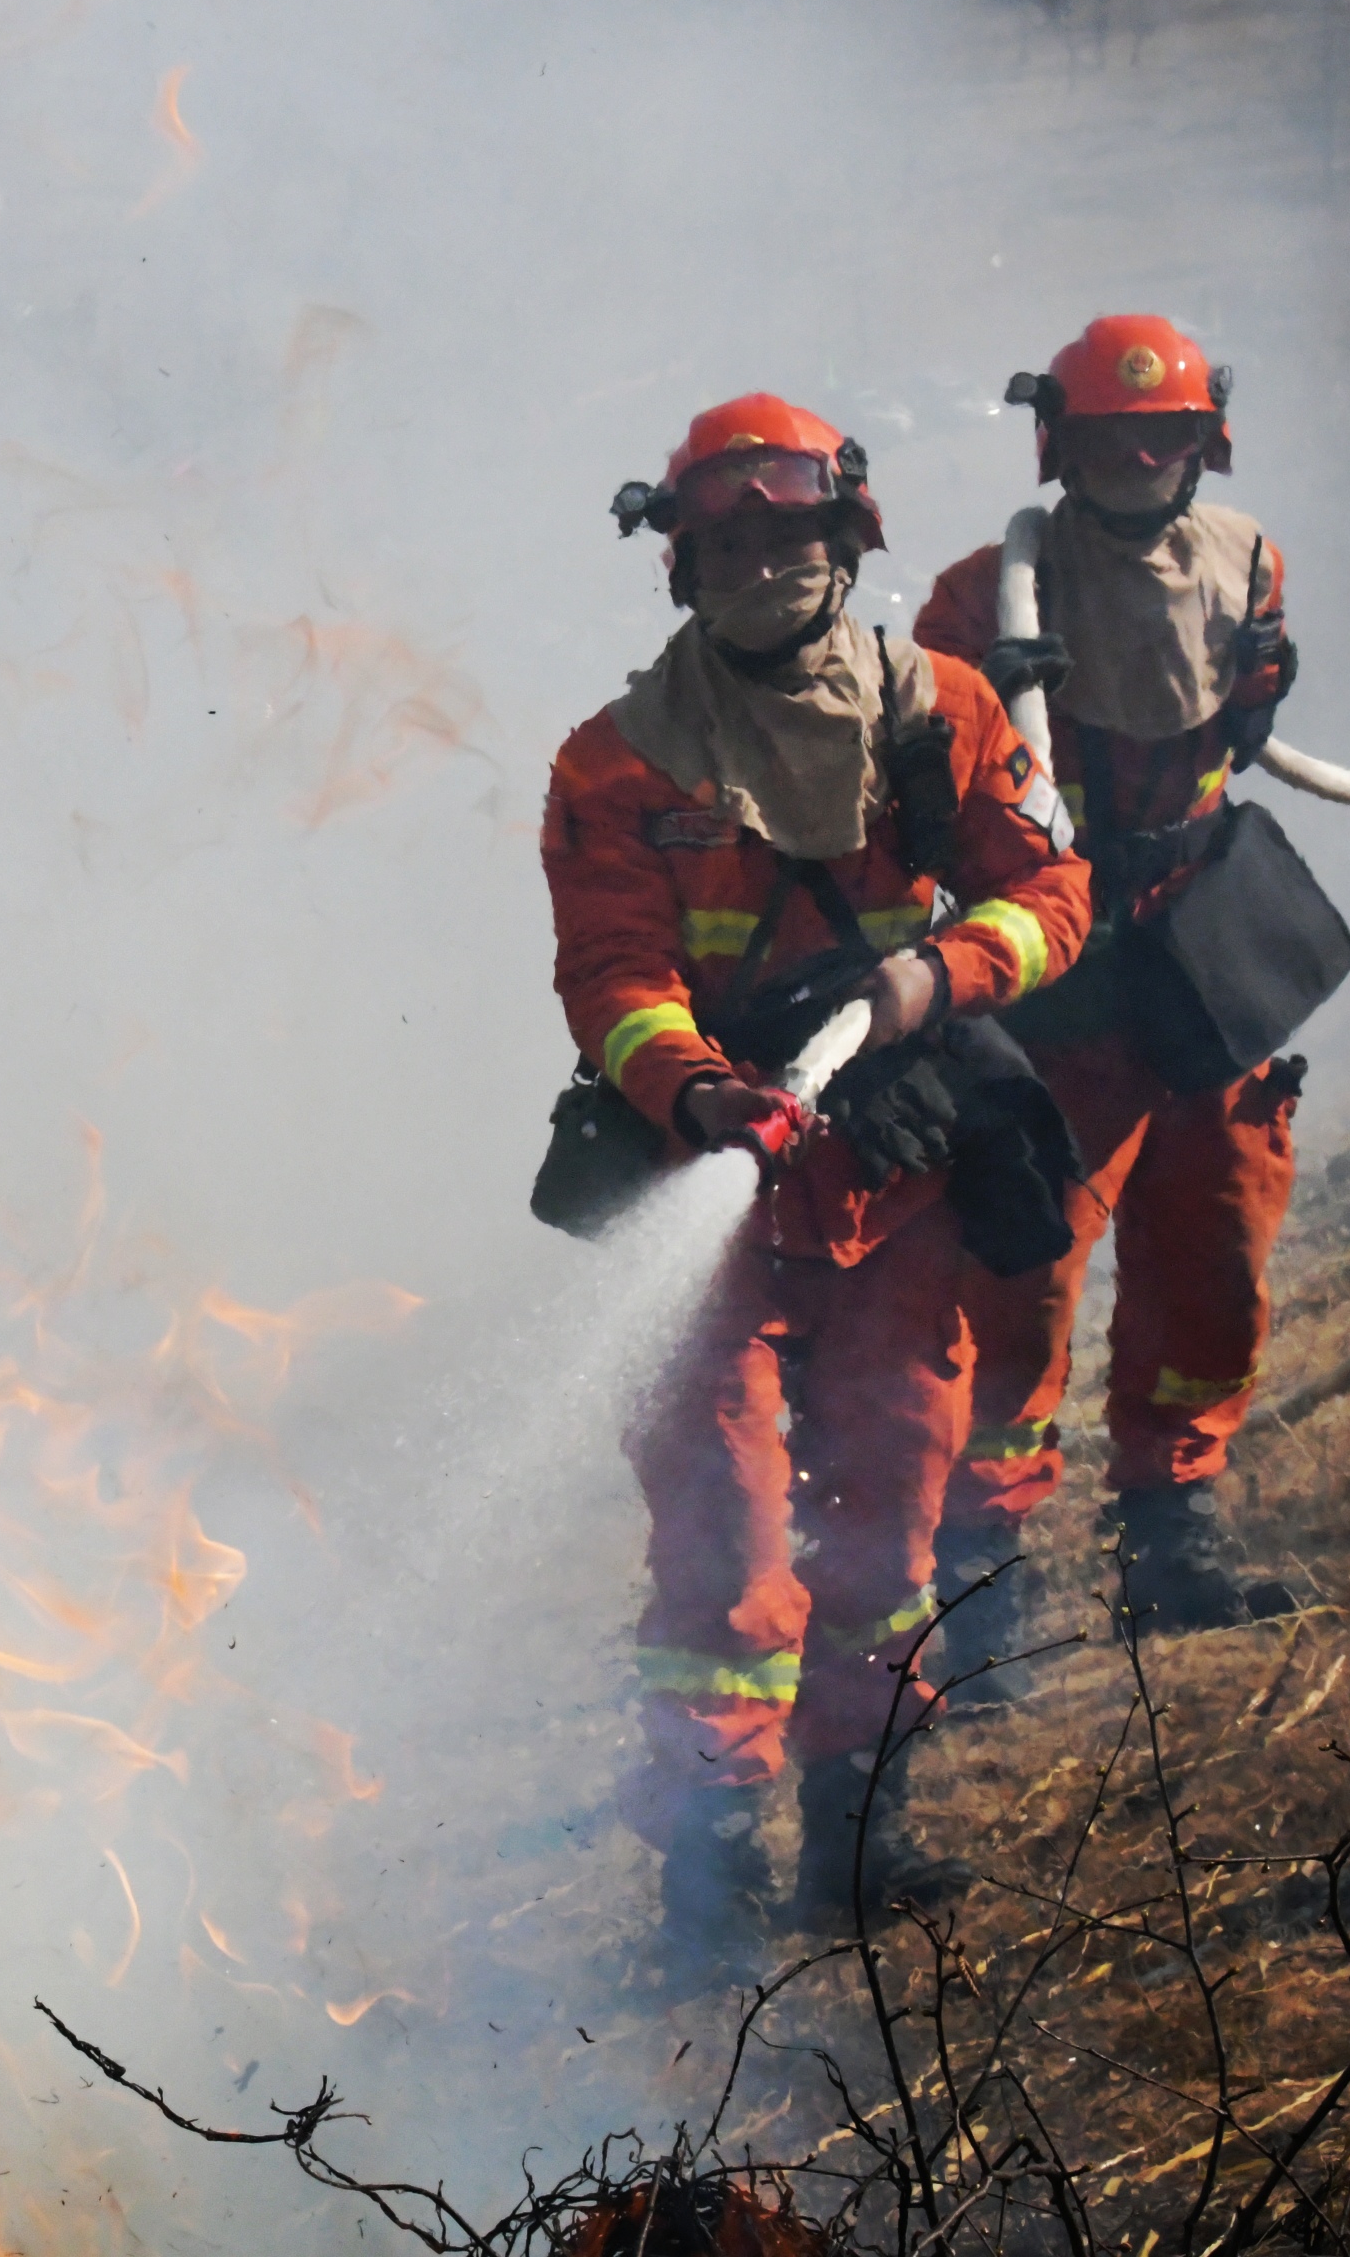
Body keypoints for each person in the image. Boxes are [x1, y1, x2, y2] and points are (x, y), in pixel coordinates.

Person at [542, 394, 1089, 1960]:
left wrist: (938, 981)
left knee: (894, 1507)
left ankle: (864, 1829)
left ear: (849, 539)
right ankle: (708, 1864)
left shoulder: (947, 710)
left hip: (892, 1180)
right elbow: (612, 971)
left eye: (792, 534)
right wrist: (693, 1084)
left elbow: (1056, 890)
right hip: (702, 1186)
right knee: (719, 1527)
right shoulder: (617, 761)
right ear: (683, 564)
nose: (765, 564)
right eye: (729, 542)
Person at [914, 317, 1307, 1670]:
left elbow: (1244, 704)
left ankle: (1174, 1531)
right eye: (1109, 438)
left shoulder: (1248, 564)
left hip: (1199, 936)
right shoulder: (983, 596)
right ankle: (986, 1579)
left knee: (1219, 1233)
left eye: (1170, 437)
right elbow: (913, 792)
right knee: (1021, 1271)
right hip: (1057, 949)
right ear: (1056, 446)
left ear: (1210, 443)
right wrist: (981, 716)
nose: (1142, 460)